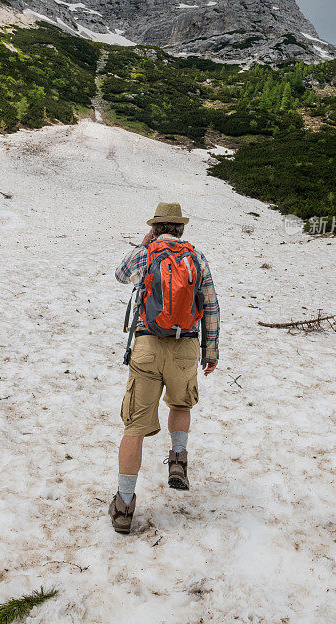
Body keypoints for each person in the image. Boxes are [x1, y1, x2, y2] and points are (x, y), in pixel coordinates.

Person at [109, 201, 220, 533]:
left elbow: (120, 275)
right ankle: (177, 460)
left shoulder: (146, 254)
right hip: (185, 346)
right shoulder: (196, 258)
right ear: (181, 228)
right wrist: (209, 349)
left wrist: (144, 244)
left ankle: (125, 506)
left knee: (134, 426)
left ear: (155, 227)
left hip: (147, 345)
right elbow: (211, 304)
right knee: (181, 403)